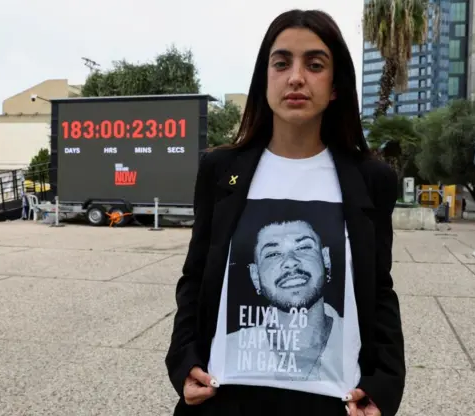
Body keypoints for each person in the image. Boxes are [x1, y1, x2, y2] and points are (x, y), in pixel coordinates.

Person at [166, 9, 406, 416]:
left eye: (314, 64)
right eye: (281, 63)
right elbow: (195, 276)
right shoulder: (220, 170)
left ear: (334, 86)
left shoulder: (371, 179)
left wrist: (383, 385)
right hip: (227, 398)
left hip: (333, 402)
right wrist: (184, 360)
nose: (296, 77)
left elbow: (379, 288)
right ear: (265, 80)